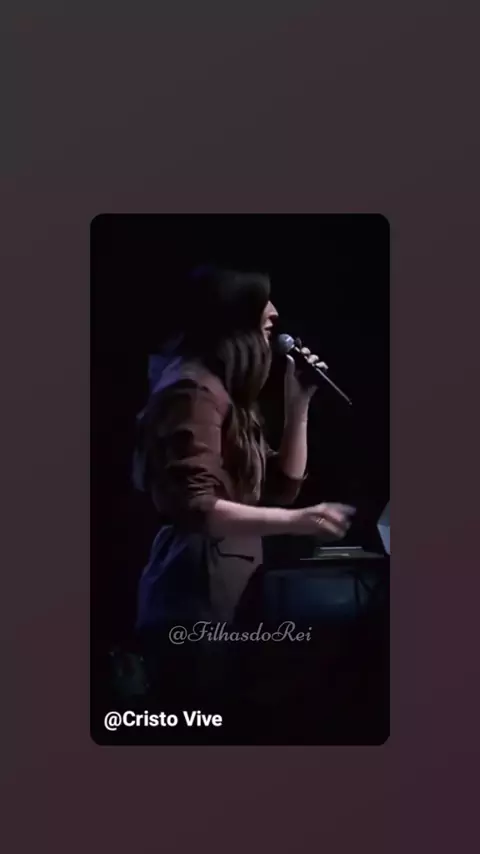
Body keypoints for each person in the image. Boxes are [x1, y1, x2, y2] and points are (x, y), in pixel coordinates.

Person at [133, 266, 355, 714]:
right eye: (261, 302)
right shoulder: (192, 388)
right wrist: (299, 522)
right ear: (231, 314)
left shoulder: (224, 391)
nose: (273, 313)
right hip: (195, 594)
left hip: (229, 588)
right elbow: (197, 505)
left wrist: (298, 404)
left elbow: (280, 488)